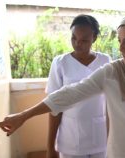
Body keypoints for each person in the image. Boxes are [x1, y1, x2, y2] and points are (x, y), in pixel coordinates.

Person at [0, 15, 125, 158]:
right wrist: (25, 115)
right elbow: (69, 93)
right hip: (121, 153)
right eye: (119, 42)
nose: (122, 48)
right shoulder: (113, 72)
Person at [45, 15, 111, 158]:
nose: (77, 43)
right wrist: (50, 146)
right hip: (70, 139)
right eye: (74, 38)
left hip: (100, 137)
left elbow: (112, 103)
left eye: (84, 40)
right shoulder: (60, 63)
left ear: (94, 38)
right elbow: (54, 106)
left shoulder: (106, 61)